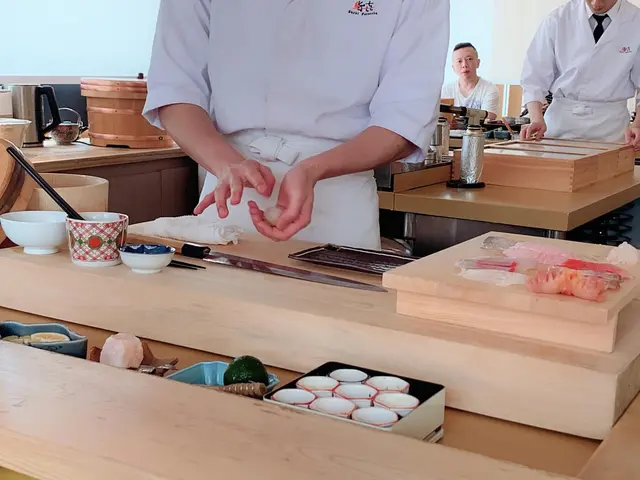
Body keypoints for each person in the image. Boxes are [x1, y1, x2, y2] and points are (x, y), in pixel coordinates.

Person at [142, 0, 450, 250]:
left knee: (334, 309)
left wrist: (313, 169)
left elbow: (404, 117)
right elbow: (175, 88)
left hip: (339, 201)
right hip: (229, 192)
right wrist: (226, 164)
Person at [520, 0, 640, 148]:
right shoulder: (558, 19)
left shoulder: (636, 21)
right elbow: (534, 77)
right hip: (560, 125)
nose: (596, 3)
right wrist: (536, 118)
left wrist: (638, 124)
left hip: (612, 128)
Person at [441, 43, 501, 121]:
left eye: (469, 59)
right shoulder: (446, 91)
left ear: (478, 63)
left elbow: (488, 119)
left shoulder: (489, 89)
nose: (464, 65)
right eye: (459, 61)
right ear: (453, 67)